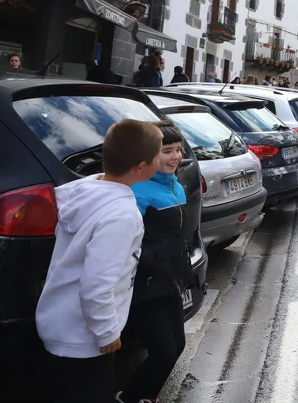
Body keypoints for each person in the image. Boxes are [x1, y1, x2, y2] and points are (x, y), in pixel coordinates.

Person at [35, 120, 162, 403]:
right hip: (85, 339)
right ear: (141, 167)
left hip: (61, 323)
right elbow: (96, 285)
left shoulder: (88, 191)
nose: (161, 160)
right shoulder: (121, 215)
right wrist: (107, 333)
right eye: (158, 156)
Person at [119, 124, 196, 403]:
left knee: (177, 346)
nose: (175, 157)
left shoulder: (175, 184)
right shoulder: (137, 191)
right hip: (147, 284)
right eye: (167, 151)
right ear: (148, 156)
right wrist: (153, 266)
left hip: (170, 279)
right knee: (163, 352)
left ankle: (145, 396)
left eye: (179, 150)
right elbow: (128, 242)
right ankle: (128, 398)